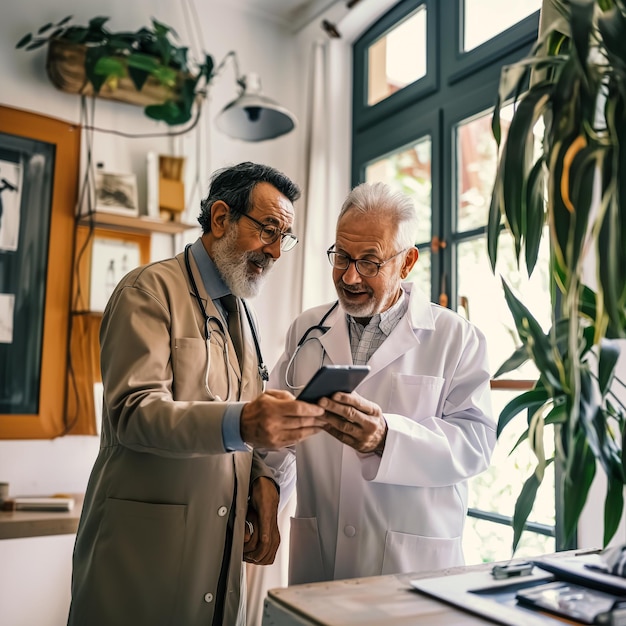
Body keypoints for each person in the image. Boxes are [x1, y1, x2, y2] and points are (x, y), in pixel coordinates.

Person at [67, 162, 326, 626]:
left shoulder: (242, 311)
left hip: (216, 547)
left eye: (283, 238)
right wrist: (243, 423)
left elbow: (240, 418)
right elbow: (133, 413)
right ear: (221, 218)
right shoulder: (147, 291)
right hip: (143, 549)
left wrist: (262, 477)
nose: (275, 252)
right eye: (268, 231)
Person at [266, 181, 496, 584]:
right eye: (341, 256)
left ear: (406, 263)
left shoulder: (455, 338)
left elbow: (476, 443)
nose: (350, 276)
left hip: (413, 568)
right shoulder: (307, 330)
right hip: (320, 560)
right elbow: (278, 434)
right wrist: (266, 489)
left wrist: (388, 438)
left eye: (369, 262)